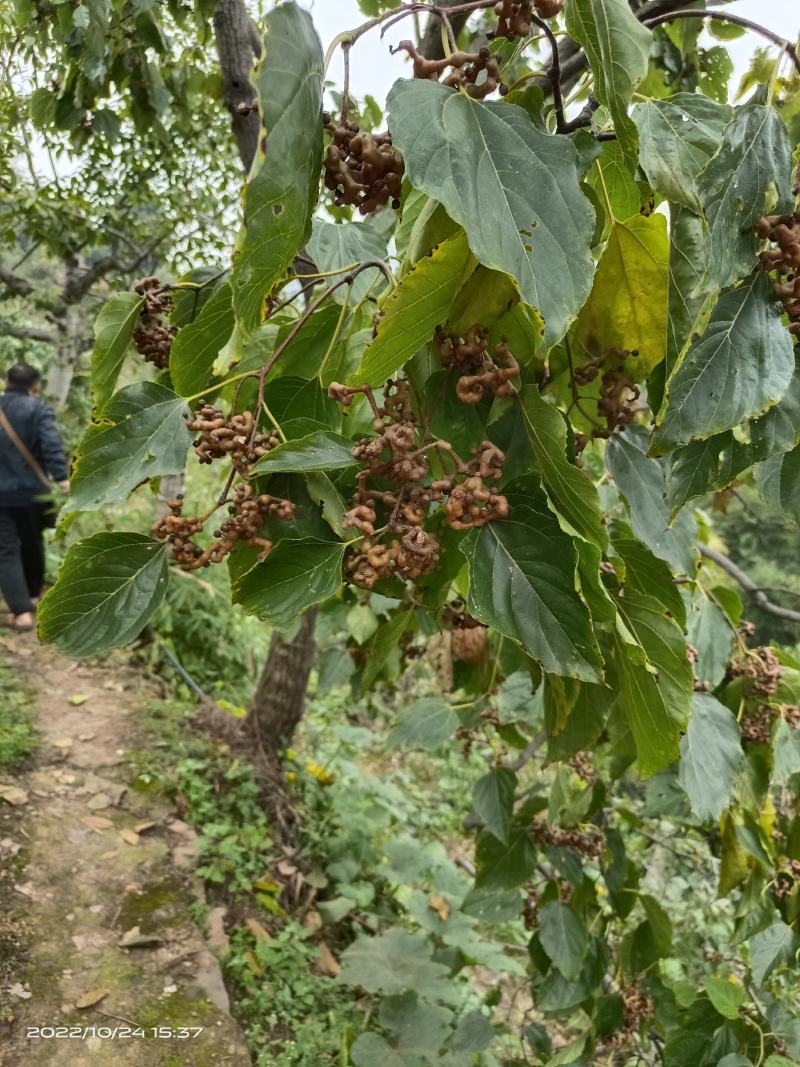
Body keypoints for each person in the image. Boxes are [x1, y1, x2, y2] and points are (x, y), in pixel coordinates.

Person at [0, 363, 69, 632]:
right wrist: (62, 479)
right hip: (31, 494)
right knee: (32, 542)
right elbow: (50, 444)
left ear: (7, 381)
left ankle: (21, 614)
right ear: (34, 387)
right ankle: (31, 596)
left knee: (5, 551)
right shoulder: (38, 410)